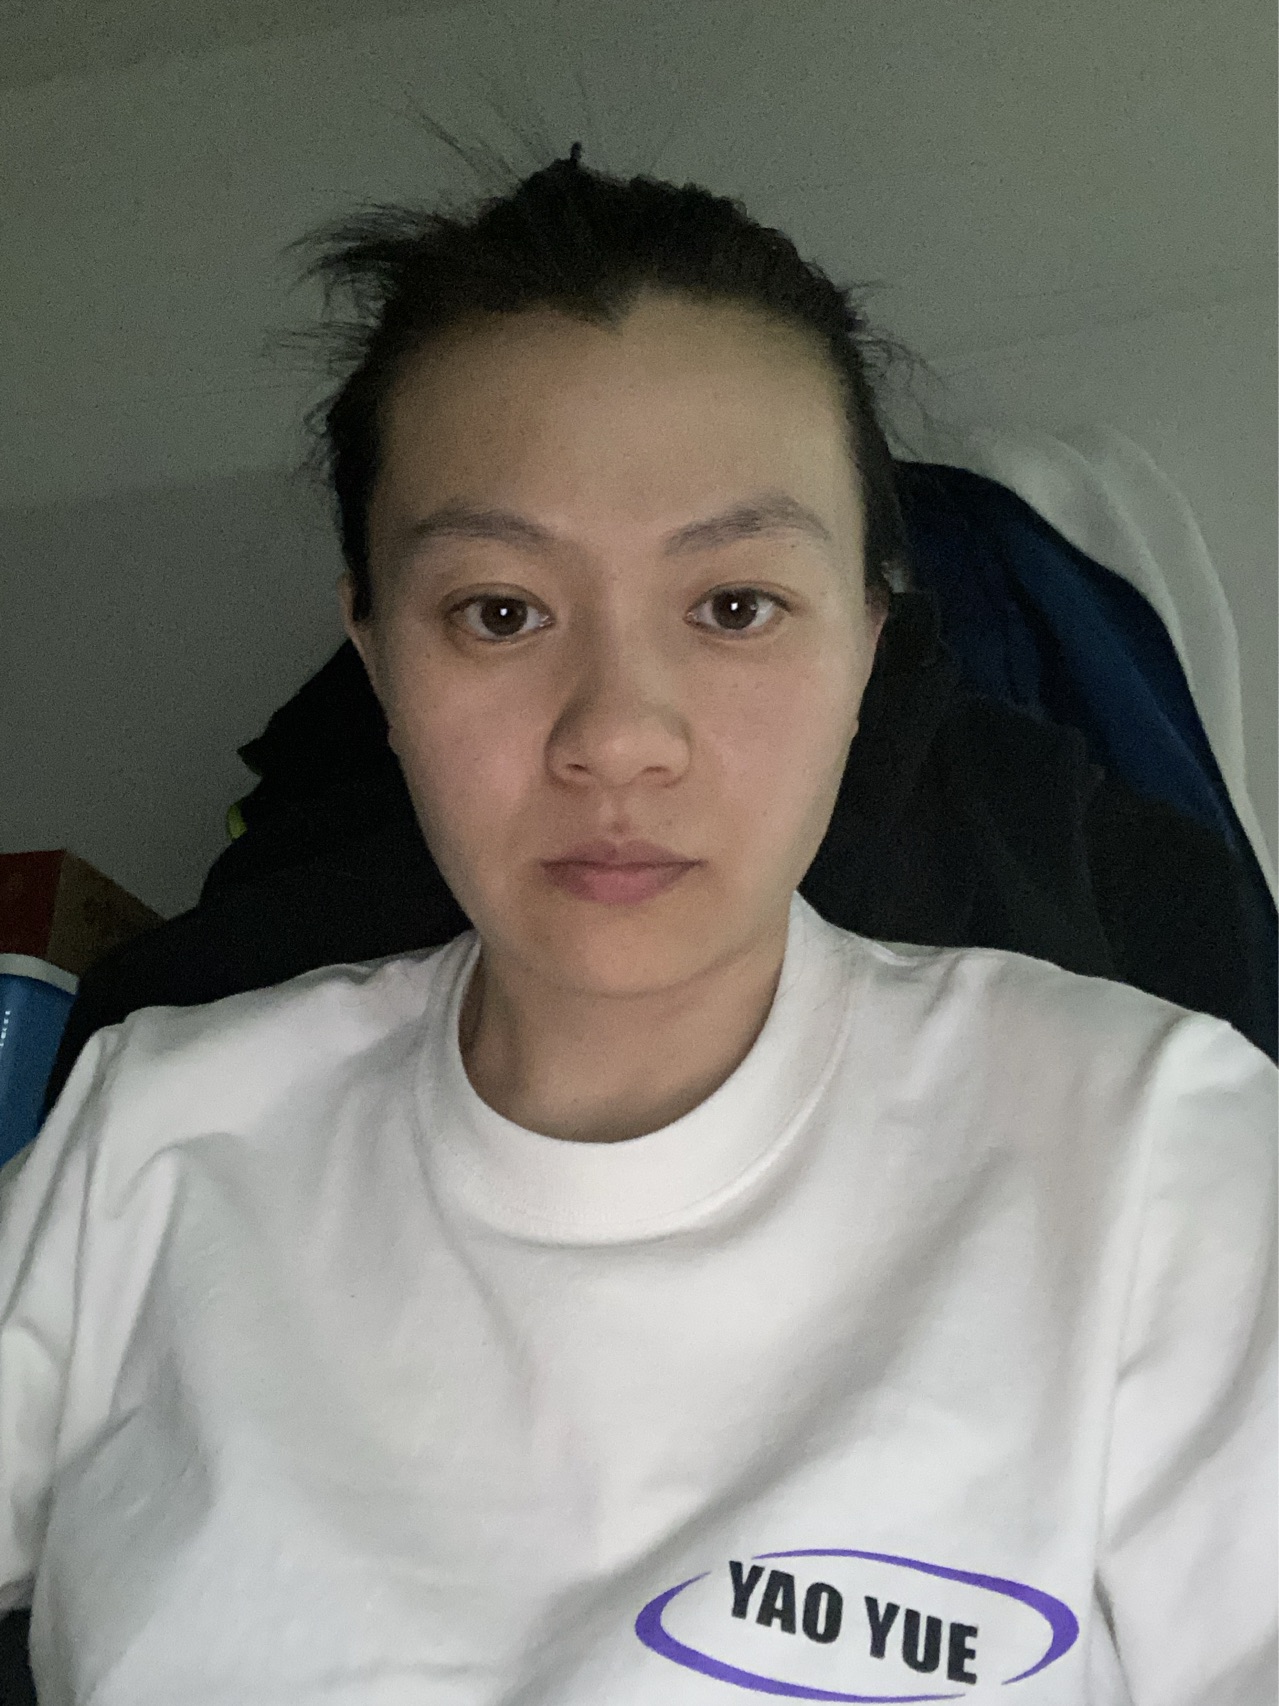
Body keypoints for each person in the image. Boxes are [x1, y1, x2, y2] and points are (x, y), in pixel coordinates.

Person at [0, 145, 1274, 1706]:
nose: (616, 732)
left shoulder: (1160, 1153)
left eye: (734, 605)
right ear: (377, 655)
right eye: (499, 611)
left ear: (866, 646)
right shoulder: (149, 1137)